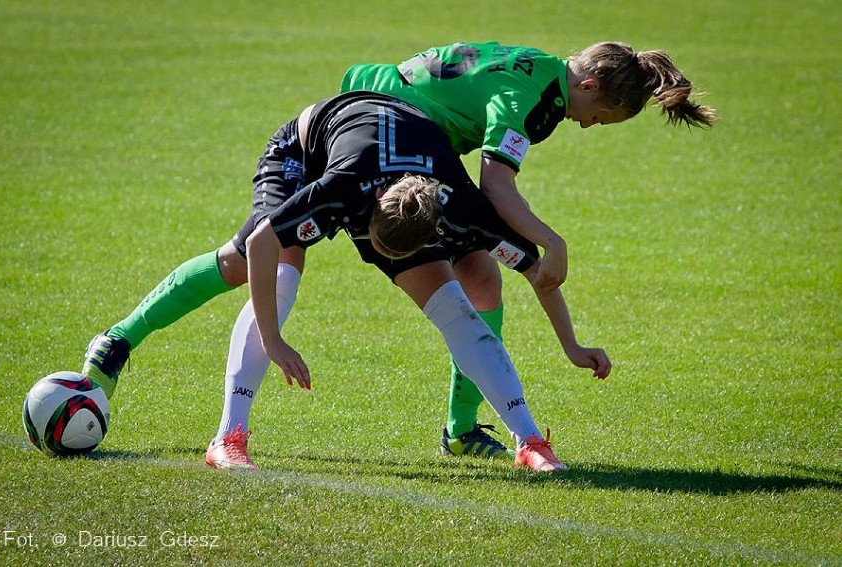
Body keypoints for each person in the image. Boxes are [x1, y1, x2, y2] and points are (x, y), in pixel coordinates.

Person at [81, 91, 611, 472]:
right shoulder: (340, 189)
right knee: (260, 268)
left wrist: (571, 344)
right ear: (364, 221)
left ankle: (531, 442)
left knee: (456, 307)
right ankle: (224, 435)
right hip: (304, 154)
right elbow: (267, 241)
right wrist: (275, 340)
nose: (380, 265)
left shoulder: (460, 207)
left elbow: (539, 273)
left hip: (406, 167)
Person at [337, 40, 717, 457]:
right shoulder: (532, 101)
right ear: (589, 85)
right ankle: (491, 433)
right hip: (385, 128)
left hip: (391, 115)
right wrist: (554, 242)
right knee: (282, 245)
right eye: (599, 117)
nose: (588, 125)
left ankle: (461, 430)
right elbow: (496, 188)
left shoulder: (544, 69)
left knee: (482, 278)